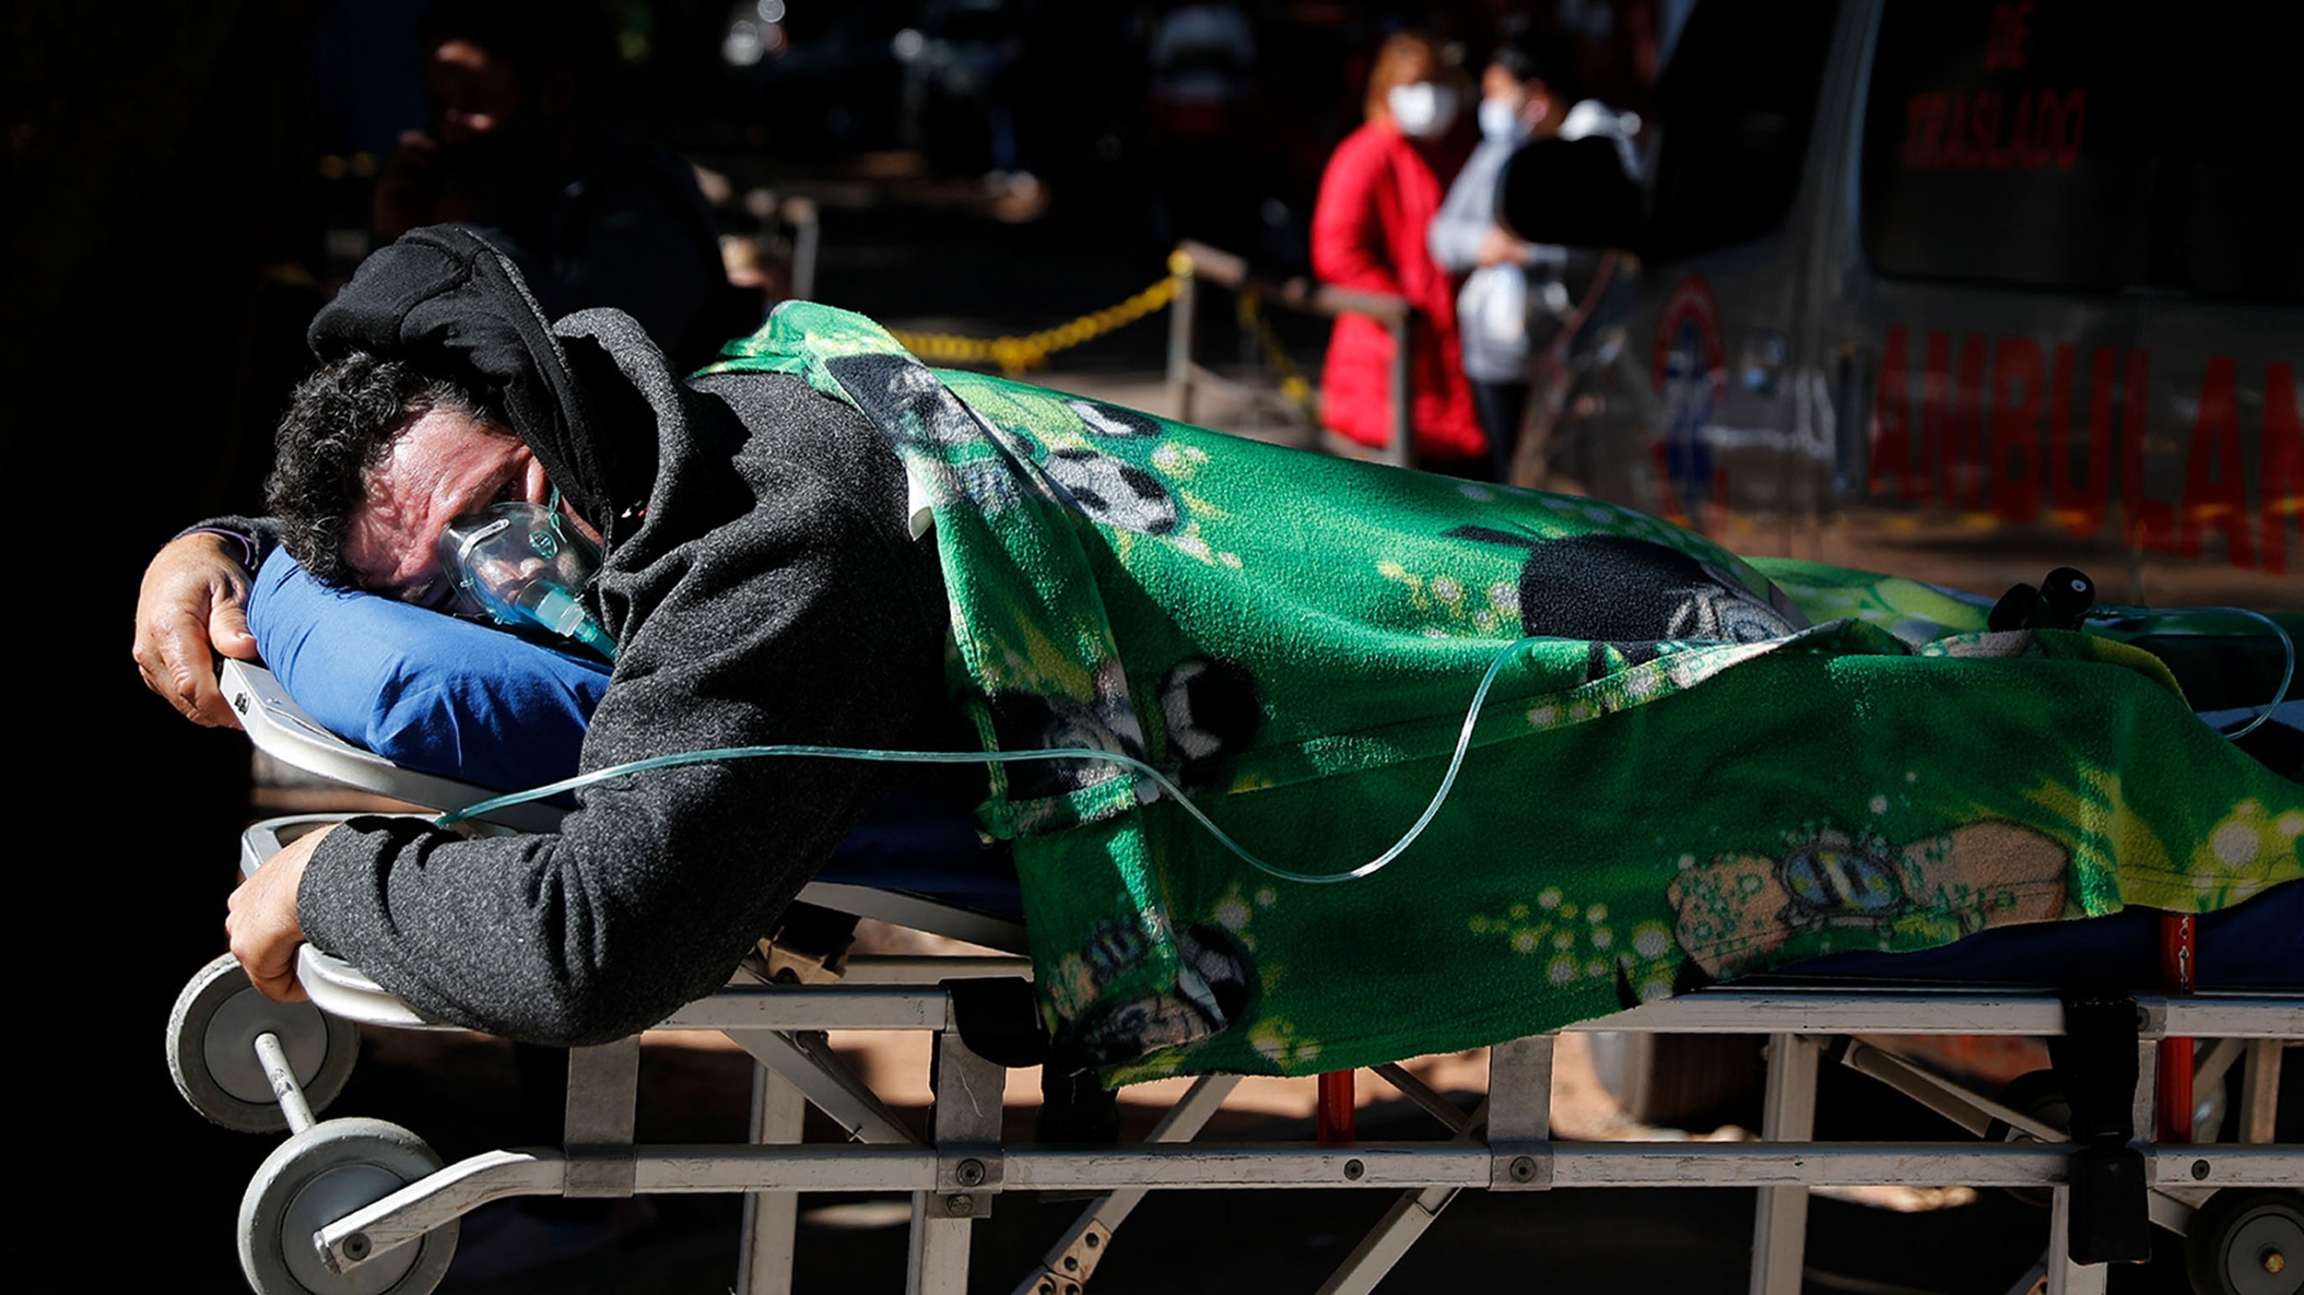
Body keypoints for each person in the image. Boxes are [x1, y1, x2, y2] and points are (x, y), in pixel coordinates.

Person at [138, 227, 2303, 1078]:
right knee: (1858, 672)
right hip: (1493, 617)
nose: (499, 568)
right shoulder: (683, 452)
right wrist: (230, 552)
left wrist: (324, 882)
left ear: (558, 408)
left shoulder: (766, 531)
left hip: (1431, 675)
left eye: (495, 501)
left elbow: (604, 931)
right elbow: (381, 596)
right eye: (443, 574)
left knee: (1912, 726)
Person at [373, 0, 752, 371]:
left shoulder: (640, 204)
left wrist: (458, 242)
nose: (451, 129)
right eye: (438, 106)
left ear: (554, 91)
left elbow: (596, 363)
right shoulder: (493, 188)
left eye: (475, 102)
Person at [1309, 31, 1483, 471]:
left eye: (1438, 84)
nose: (1430, 98)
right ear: (1387, 90)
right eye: (1414, 85)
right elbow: (1337, 251)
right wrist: (1404, 306)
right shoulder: (1364, 155)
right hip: (1385, 359)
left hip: (1446, 358)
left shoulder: (1454, 152)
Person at [1428, 36, 1570, 485]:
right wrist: (1481, 243)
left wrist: (1531, 252)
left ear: (1537, 95)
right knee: (1507, 473)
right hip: (1491, 351)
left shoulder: (1579, 149)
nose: (1488, 105)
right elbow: (1442, 233)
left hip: (1559, 344)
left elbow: (1596, 248)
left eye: (1497, 92)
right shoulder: (1493, 154)